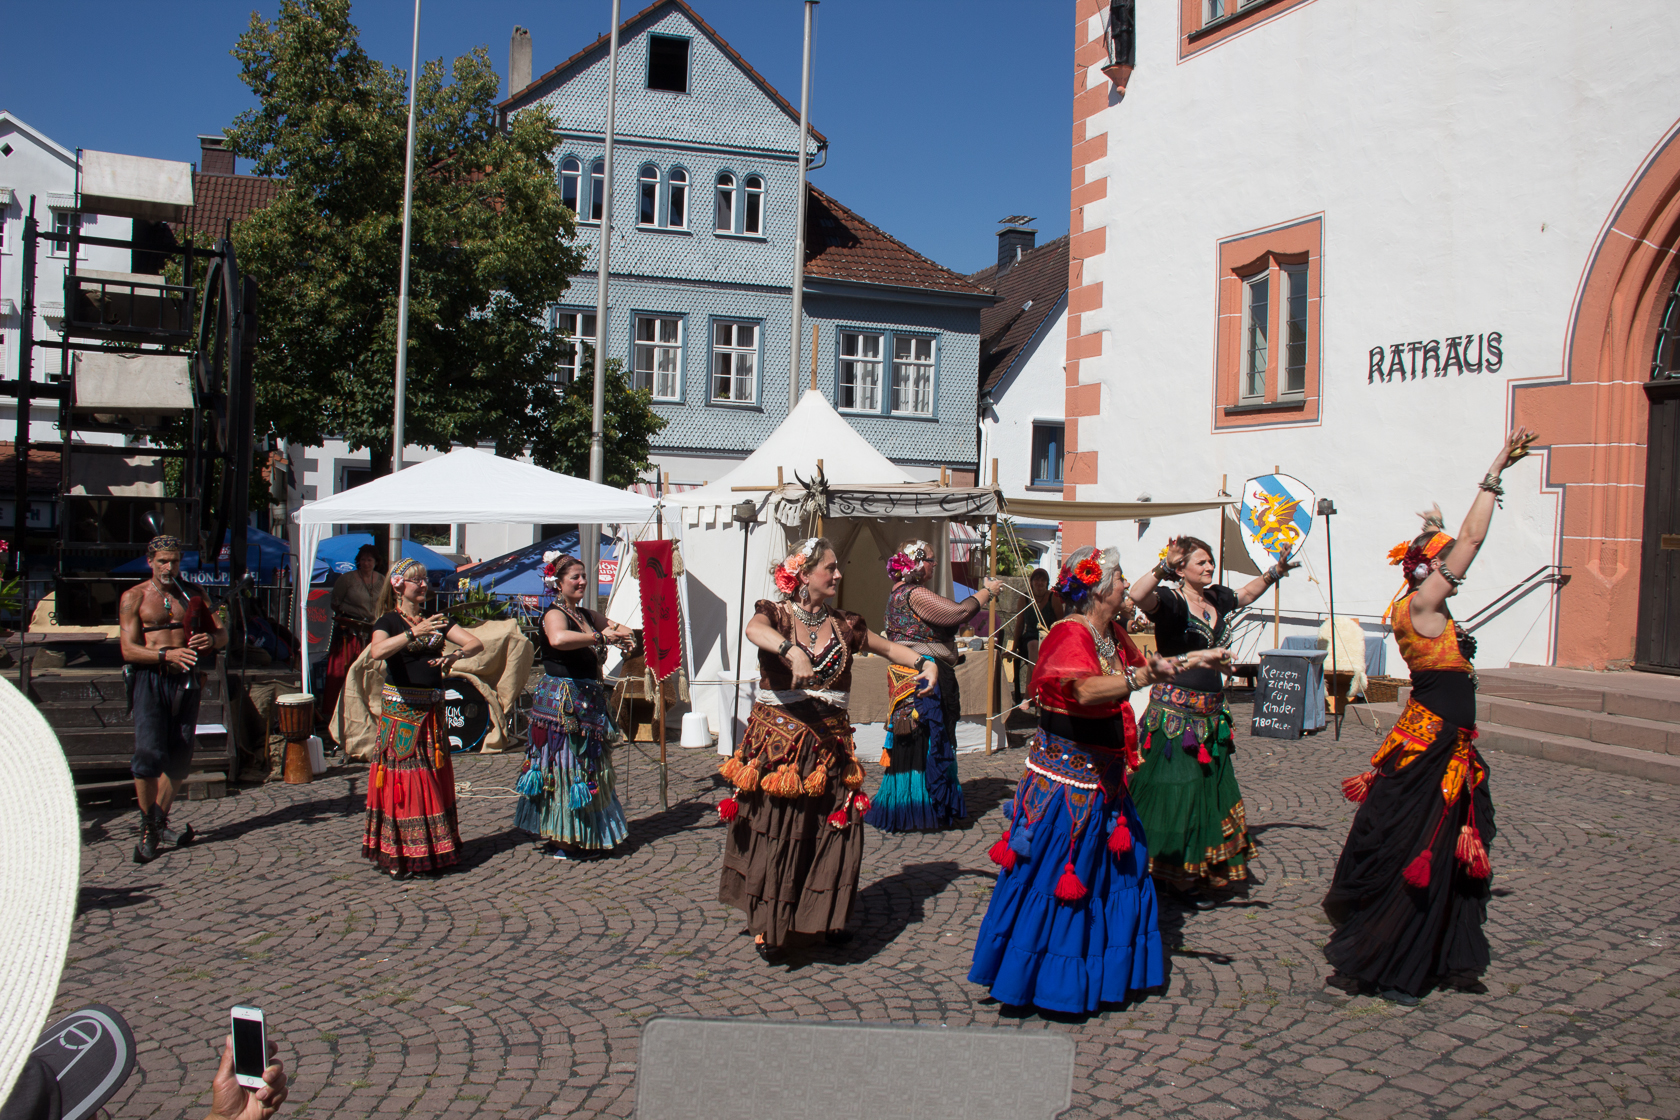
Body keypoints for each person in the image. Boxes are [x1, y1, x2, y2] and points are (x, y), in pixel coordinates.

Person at [1322, 427, 1535, 1005]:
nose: (1455, 573)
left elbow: (1447, 544)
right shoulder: (1422, 604)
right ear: (1433, 571)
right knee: (1421, 839)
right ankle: (1395, 952)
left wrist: (1430, 531)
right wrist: (1494, 475)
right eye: (1445, 565)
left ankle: (1435, 945)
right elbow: (1471, 538)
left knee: (1438, 843)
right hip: (1434, 744)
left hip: (1440, 736)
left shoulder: (1411, 602)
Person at [969, 547, 1226, 1012]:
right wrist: (1145, 674)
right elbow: (1084, 689)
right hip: (1067, 783)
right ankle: (1044, 980)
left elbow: (1148, 668)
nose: (1127, 586)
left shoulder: (1112, 634)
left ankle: (1100, 969)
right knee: (1059, 876)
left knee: (1115, 875)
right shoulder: (1071, 632)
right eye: (1121, 579)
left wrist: (1193, 659)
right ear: (1099, 587)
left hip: (1105, 779)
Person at [718, 537, 939, 962]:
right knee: (781, 829)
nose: (838, 575)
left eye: (837, 568)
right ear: (803, 574)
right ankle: (771, 924)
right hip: (782, 748)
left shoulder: (845, 624)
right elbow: (753, 631)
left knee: (830, 831)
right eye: (830, 568)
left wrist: (925, 662)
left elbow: (890, 648)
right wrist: (790, 649)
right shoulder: (775, 615)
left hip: (830, 747)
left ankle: (823, 916)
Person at [1124, 535, 1293, 906]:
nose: (1209, 568)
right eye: (1201, 563)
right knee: (1176, 789)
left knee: (1206, 790)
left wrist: (1274, 572)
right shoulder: (1170, 601)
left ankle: (1198, 866)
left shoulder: (1216, 597)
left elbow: (1246, 594)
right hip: (1174, 717)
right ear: (1181, 568)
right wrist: (1162, 566)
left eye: (1210, 562)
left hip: (1211, 713)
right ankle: (1165, 868)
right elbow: (1137, 596)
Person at [863, 541, 1003, 832]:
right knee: (926, 738)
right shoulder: (914, 593)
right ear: (915, 562)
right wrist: (986, 593)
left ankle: (916, 802)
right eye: (930, 559)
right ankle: (922, 806)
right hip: (925, 677)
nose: (934, 564)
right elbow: (956, 613)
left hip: (916, 675)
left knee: (920, 740)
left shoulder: (901, 593)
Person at [363, 557, 482, 878]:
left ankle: (433, 847)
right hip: (403, 714)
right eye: (418, 581)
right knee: (407, 779)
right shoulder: (388, 621)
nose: (425, 585)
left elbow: (475, 642)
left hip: (431, 710)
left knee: (431, 775)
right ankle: (401, 851)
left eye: (426, 580)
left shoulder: (435, 618)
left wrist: (455, 655)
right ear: (399, 585)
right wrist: (414, 633)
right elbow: (377, 652)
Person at [513, 553, 637, 859]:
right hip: (563, 704)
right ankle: (565, 837)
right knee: (567, 767)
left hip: (588, 701)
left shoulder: (585, 613)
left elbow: (619, 627)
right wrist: (597, 636)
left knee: (589, 768)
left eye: (584, 576)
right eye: (575, 577)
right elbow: (557, 639)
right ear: (558, 583)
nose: (582, 582)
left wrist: (626, 637)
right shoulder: (555, 614)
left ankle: (586, 835)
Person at [118, 534, 228, 864]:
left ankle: (158, 820)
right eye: (163, 561)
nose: (169, 567)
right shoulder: (133, 597)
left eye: (175, 561)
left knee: (181, 753)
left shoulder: (194, 594)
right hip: (151, 678)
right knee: (149, 753)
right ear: (150, 561)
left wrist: (212, 638)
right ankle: (148, 825)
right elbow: (128, 649)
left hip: (187, 680)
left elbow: (223, 632)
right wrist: (166, 655)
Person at [321, 544, 382, 742]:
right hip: (350, 632)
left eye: (370, 560)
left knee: (370, 673)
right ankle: (335, 715)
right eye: (363, 559)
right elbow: (335, 602)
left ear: (375, 562)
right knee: (342, 672)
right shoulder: (346, 579)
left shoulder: (381, 580)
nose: (366, 563)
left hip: (372, 631)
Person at [1012, 567, 1060, 709]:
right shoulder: (1025, 598)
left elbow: (1061, 621)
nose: (1039, 582)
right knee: (1033, 645)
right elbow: (1019, 625)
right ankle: (1032, 693)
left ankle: (1029, 694)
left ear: (1047, 582)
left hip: (1049, 639)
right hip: (1030, 638)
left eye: (1042, 580)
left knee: (1039, 649)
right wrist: (1014, 647)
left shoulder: (1053, 598)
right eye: (1036, 579)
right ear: (1031, 582)